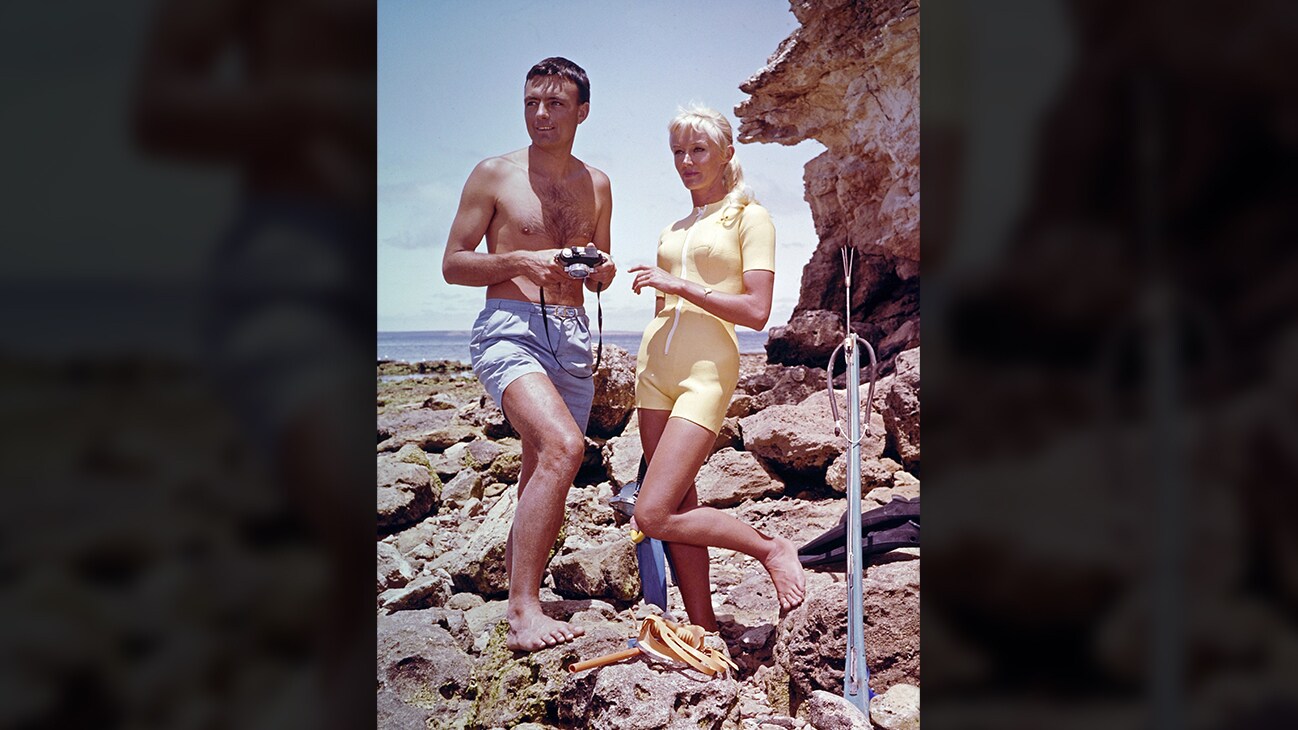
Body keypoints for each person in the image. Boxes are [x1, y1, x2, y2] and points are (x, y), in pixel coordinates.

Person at [442, 57, 616, 651]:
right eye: (531, 103)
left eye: (555, 104)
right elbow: (453, 264)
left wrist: (602, 271)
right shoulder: (494, 174)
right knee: (565, 447)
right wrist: (519, 261)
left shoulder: (597, 184)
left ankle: (521, 594)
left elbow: (599, 269)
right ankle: (522, 612)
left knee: (541, 464)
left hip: (572, 335)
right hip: (508, 326)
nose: (540, 115)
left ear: (582, 111)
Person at [628, 106, 805, 631]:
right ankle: (703, 628)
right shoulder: (675, 226)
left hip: (706, 370)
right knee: (679, 501)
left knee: (651, 514)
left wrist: (680, 286)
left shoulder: (751, 217)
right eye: (678, 152)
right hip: (653, 367)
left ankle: (771, 548)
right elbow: (665, 308)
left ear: (727, 153)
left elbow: (756, 311)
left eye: (697, 150)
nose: (686, 161)